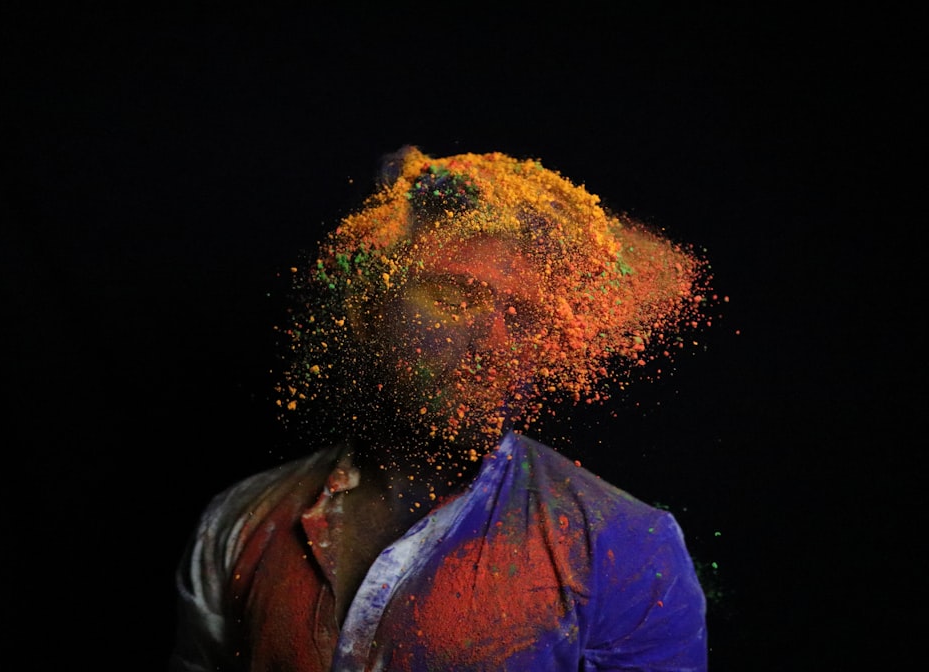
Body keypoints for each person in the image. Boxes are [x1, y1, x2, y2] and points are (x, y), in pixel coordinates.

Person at [171, 147, 712, 671]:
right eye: (455, 296)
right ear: (367, 311)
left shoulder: (625, 549)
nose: (493, 342)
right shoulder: (240, 521)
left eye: (524, 319)